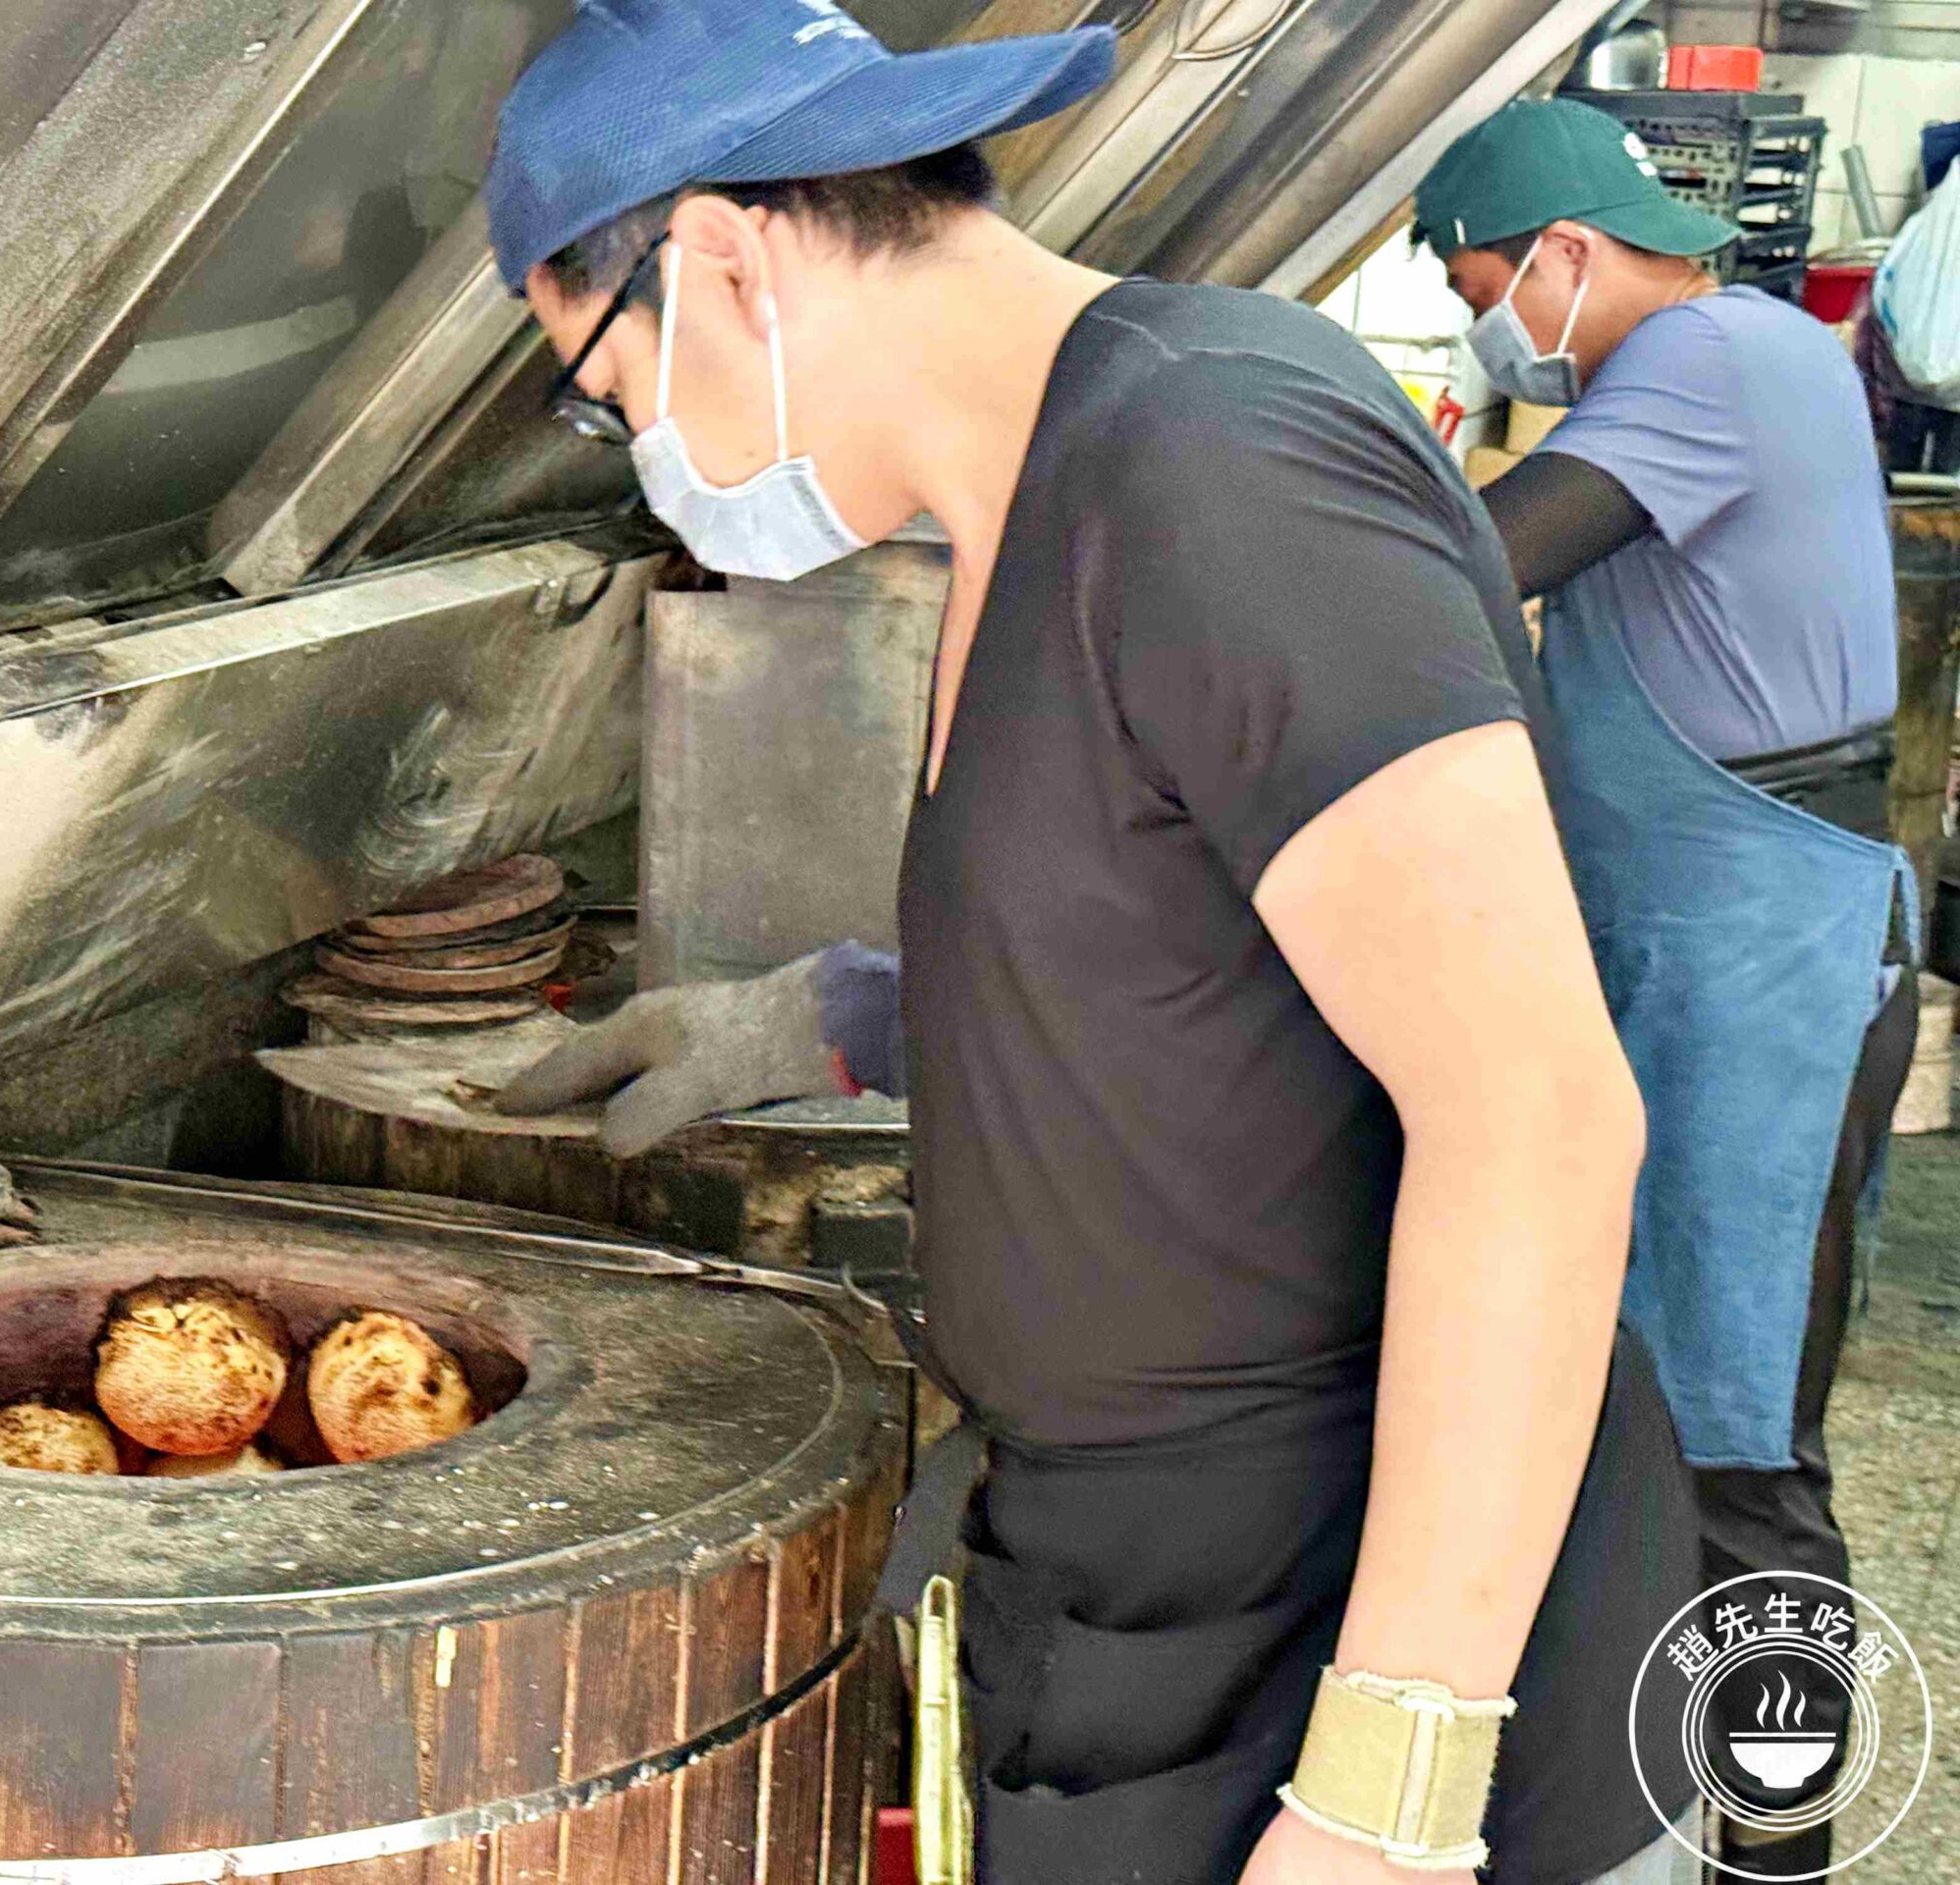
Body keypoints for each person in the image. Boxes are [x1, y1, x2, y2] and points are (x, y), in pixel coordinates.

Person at [485, 7, 1700, 1881]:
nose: (635, 446)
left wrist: (1393, 1780)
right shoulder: (1035, 502)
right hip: (1153, 1606)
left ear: (717, 257)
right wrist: (817, 1020)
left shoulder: (1213, 458)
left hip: (1357, 1620)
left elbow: (1536, 1118)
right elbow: (1189, 948)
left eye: (597, 386)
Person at [1413, 97, 1918, 1880]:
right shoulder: (1695, 373)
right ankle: (1634, 1818)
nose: (1489, 319)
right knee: (1652, 1422)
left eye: (1477, 280)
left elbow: (1471, 562)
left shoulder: (1717, 353)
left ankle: (1774, 1856)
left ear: (1556, 252)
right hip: (1693, 946)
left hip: (1760, 954)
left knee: (1739, 1451)